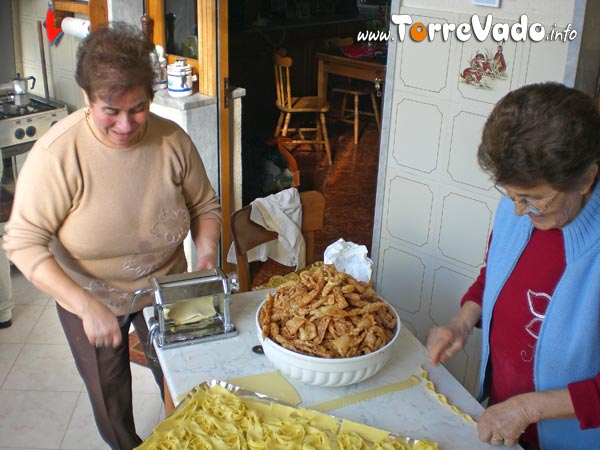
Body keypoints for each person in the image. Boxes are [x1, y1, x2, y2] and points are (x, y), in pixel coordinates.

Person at [3, 22, 221, 450]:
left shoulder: (172, 140)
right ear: (86, 98)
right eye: (110, 110)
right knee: (110, 396)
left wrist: (207, 254)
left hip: (170, 279)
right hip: (91, 292)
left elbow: (205, 206)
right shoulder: (57, 155)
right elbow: (23, 243)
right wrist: (85, 306)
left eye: (138, 108)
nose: (126, 125)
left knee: (192, 374)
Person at [426, 82, 600, 450]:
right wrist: (463, 321)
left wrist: (529, 408)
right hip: (508, 425)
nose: (520, 211)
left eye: (535, 200)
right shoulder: (522, 206)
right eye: (511, 197)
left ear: (586, 179)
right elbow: (496, 272)